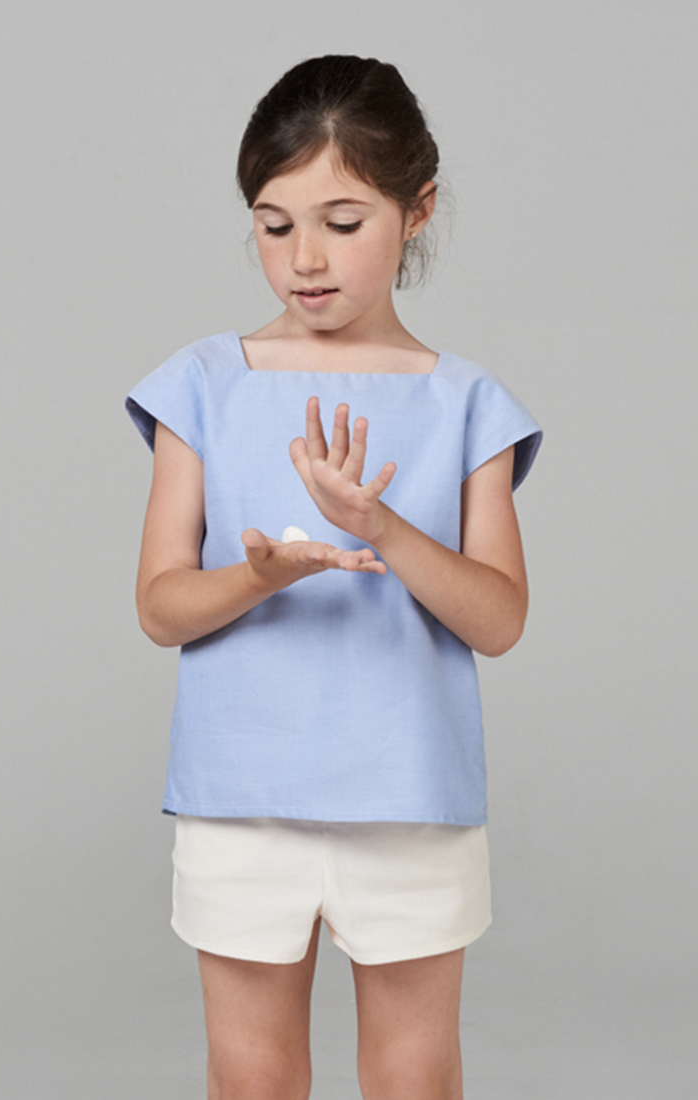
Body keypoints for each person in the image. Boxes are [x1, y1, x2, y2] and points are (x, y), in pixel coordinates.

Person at [126, 55, 542, 1100]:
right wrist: (259, 577)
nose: (303, 259)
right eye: (274, 226)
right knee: (251, 1074)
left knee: (412, 1074)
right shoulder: (205, 384)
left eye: (341, 223)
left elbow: (497, 619)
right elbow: (159, 604)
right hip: (240, 797)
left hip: (408, 794)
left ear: (416, 211)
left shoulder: (464, 403)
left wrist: (379, 525)